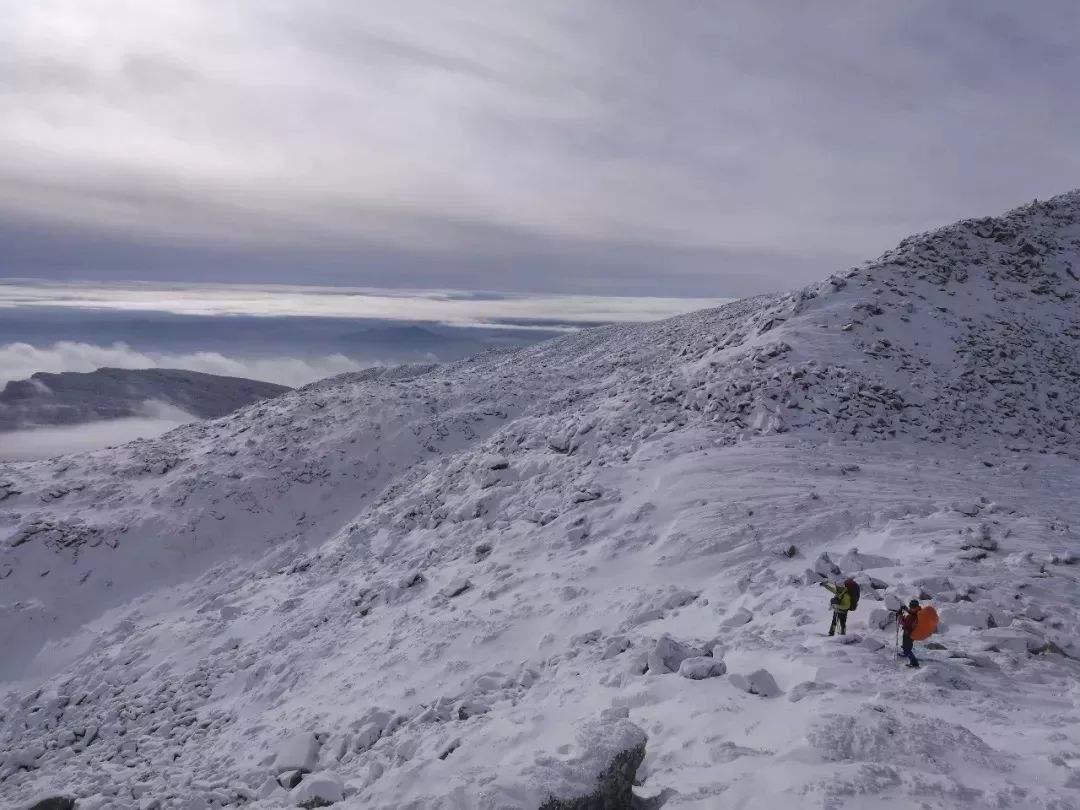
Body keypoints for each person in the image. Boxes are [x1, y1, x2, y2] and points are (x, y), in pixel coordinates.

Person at [896, 599, 921, 668]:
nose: (909, 607)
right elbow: (907, 618)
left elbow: (906, 624)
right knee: (906, 646)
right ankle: (906, 654)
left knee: (907, 649)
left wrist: (900, 616)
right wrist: (903, 611)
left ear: (913, 606)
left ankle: (914, 663)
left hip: (909, 633)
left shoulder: (914, 615)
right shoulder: (915, 613)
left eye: (910, 605)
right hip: (909, 633)